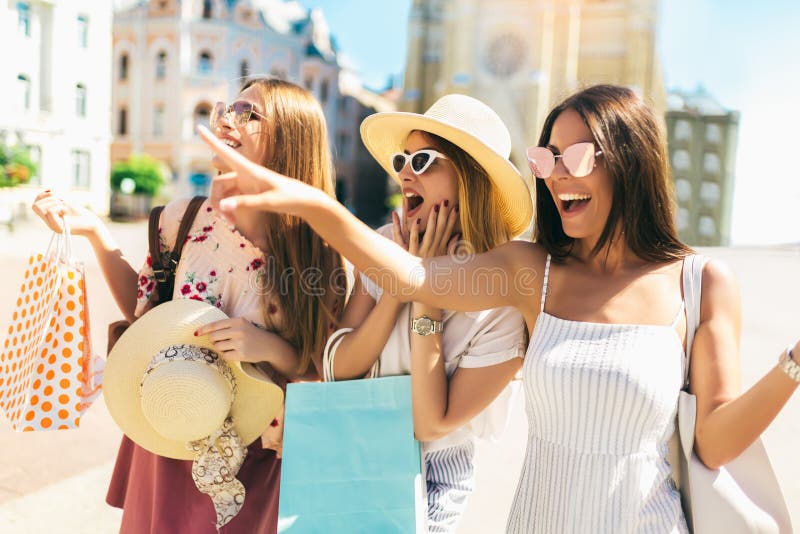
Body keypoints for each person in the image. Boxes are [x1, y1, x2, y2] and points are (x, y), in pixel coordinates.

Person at [198, 84, 800, 532]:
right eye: (547, 160)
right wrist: (314, 206)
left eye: (576, 157)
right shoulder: (530, 272)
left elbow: (716, 445)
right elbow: (408, 279)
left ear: (631, 160)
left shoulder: (701, 283)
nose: (557, 176)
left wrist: (793, 364)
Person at [32, 77, 345, 533]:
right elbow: (148, 318)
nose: (225, 120)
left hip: (253, 451)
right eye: (227, 109)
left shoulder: (318, 247)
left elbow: (328, 367)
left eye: (248, 114)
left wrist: (268, 348)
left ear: (292, 142)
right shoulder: (185, 218)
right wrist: (98, 235)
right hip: (165, 420)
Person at [323, 95, 530, 532]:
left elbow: (429, 423)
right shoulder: (385, 242)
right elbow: (337, 367)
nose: (403, 172)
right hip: (349, 448)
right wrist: (402, 284)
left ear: (470, 178)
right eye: (403, 159)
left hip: (433, 478)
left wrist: (425, 288)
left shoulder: (507, 300)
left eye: (422, 159)